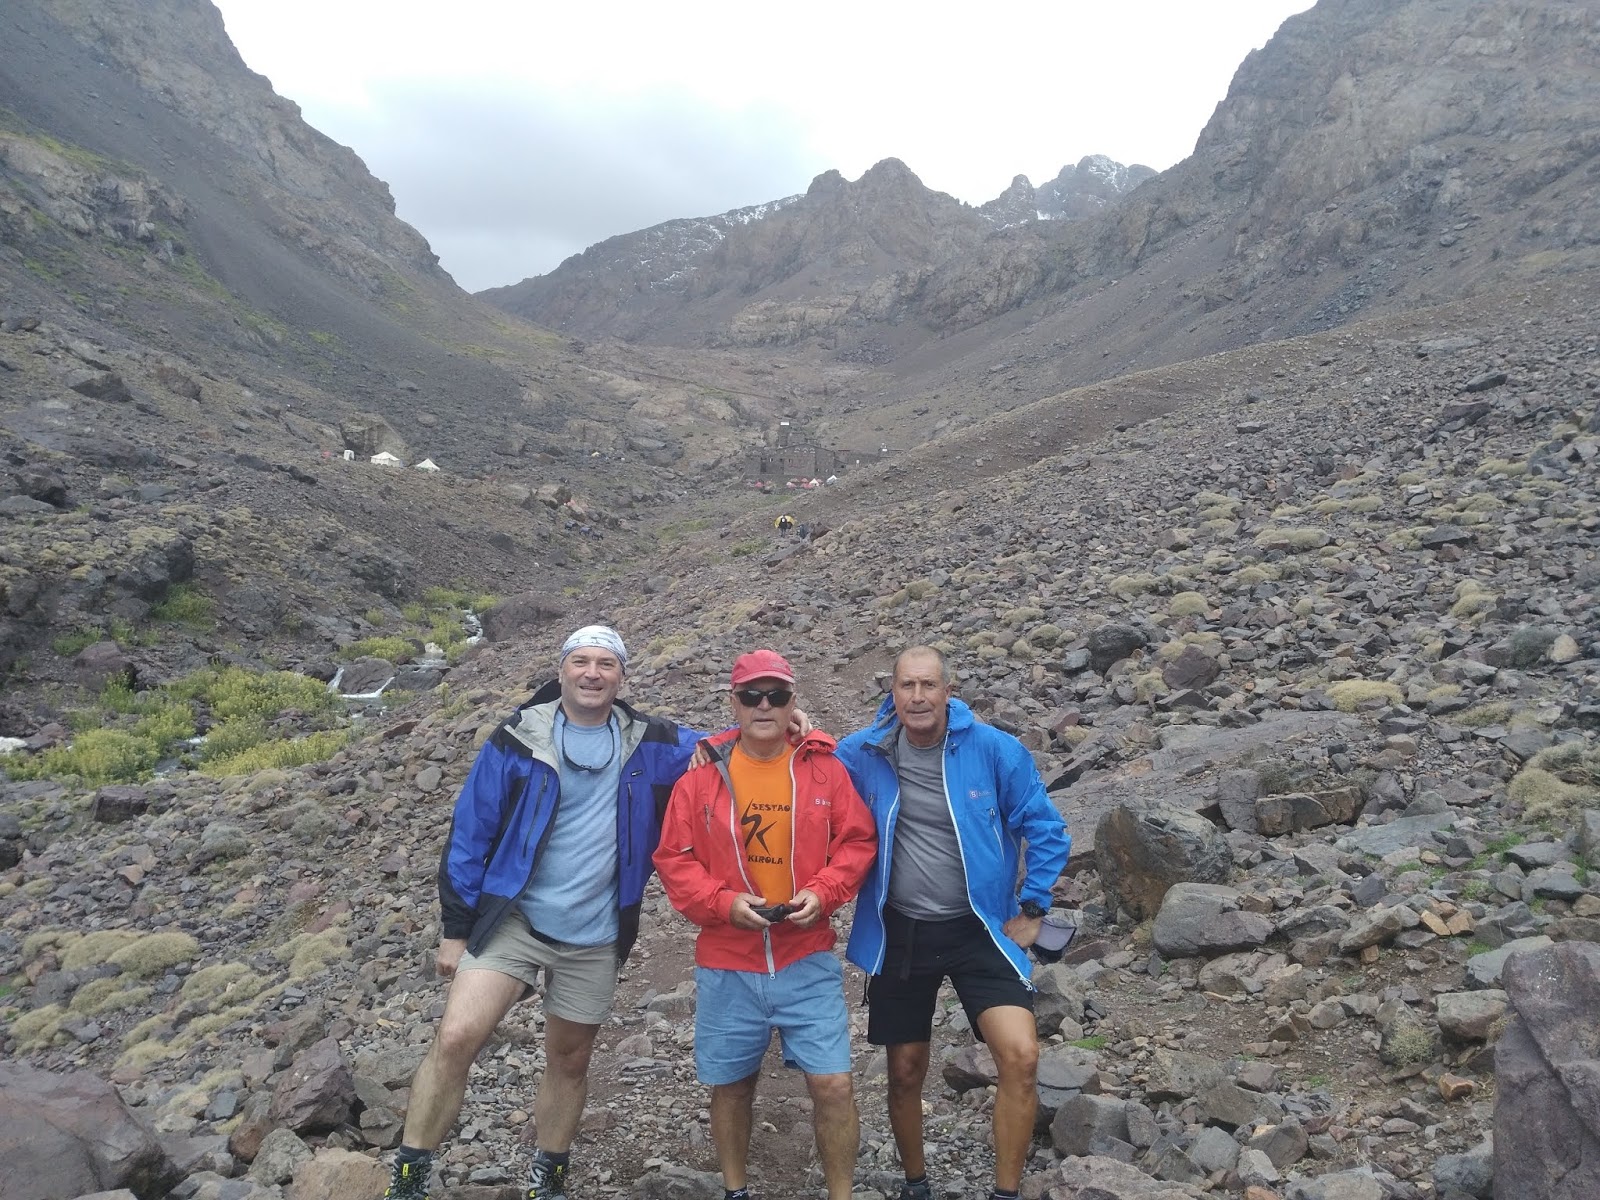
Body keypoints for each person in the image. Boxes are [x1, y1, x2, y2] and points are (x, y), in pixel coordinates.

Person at [383, 627, 809, 1200]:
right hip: (514, 920)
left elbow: (726, 743)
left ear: (621, 676)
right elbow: (470, 833)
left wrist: (790, 721)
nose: (592, 673)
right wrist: (455, 931)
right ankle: (409, 1175)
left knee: (570, 1058)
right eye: (580, 661)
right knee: (458, 1035)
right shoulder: (517, 737)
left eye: (605, 664)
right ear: (561, 670)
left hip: (596, 933)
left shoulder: (651, 742)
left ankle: (549, 1177)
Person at [835, 646, 1071, 1200]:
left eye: (928, 686)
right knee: (904, 1071)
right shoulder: (863, 752)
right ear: (892, 693)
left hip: (979, 930)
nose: (918, 697)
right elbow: (804, 771)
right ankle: (916, 1184)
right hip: (901, 932)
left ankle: (1006, 1194)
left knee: (1021, 1056)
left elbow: (1046, 827)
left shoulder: (993, 750)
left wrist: (1033, 909)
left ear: (948, 691)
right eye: (907, 686)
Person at [654, 650, 876, 1200]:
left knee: (833, 1085)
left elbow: (856, 842)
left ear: (792, 702)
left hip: (807, 955)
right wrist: (723, 902)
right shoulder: (700, 779)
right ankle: (736, 1190)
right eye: (751, 695)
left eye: (776, 696)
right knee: (731, 1086)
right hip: (728, 962)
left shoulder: (824, 769)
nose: (764, 705)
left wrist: (823, 892)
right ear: (733, 702)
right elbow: (674, 858)